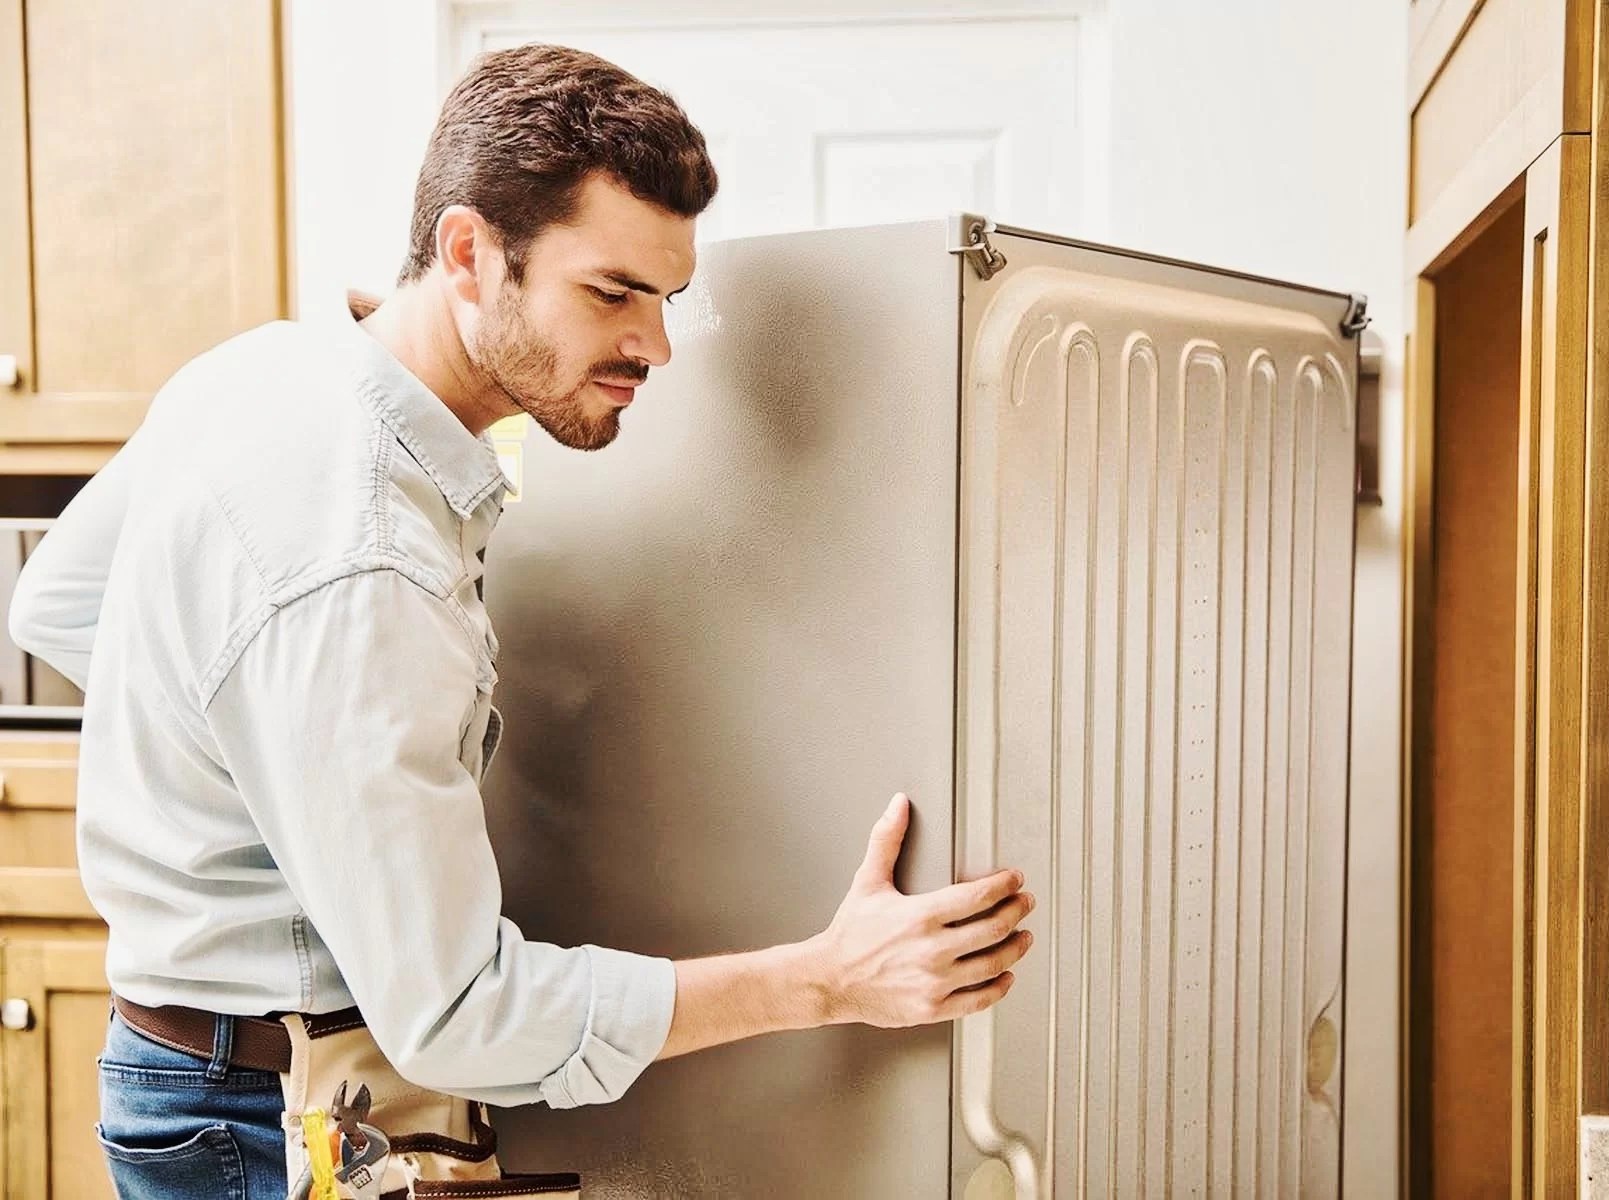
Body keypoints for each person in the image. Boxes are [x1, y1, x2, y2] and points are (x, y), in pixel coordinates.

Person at [9, 43, 1033, 1200]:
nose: (655, 345)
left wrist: (286, 784)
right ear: (469, 254)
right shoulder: (367, 565)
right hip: (276, 1114)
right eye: (611, 292)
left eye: (665, 298)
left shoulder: (262, 370)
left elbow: (59, 604)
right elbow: (456, 1014)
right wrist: (830, 980)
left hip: (184, 1069)